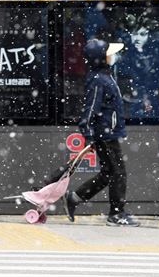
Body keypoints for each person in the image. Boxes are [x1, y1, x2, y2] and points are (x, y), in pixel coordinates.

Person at [63, 39, 140, 227]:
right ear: (101, 58)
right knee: (118, 173)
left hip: (107, 133)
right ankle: (116, 214)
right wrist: (89, 134)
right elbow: (90, 110)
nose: (113, 56)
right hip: (104, 135)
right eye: (109, 53)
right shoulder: (99, 80)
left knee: (108, 173)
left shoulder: (104, 76)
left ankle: (74, 198)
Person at [116, 13, 159, 118]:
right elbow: (121, 82)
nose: (137, 38)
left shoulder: (156, 56)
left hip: (152, 102)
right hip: (130, 104)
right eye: (134, 34)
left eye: (142, 34)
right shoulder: (124, 57)